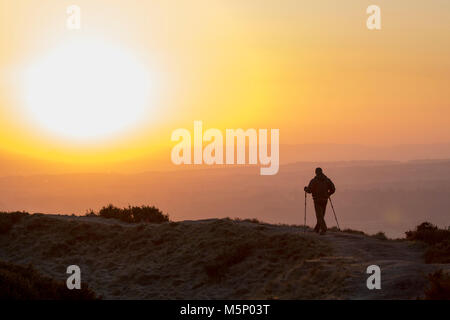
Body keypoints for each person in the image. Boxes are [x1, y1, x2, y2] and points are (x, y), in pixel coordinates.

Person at [304, 167, 335, 235]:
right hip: (325, 200)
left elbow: (309, 190)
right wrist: (328, 194)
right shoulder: (327, 180)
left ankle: (324, 229)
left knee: (319, 216)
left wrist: (306, 189)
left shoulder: (314, 181)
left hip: (317, 200)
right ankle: (317, 229)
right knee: (321, 215)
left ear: (316, 172)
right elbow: (333, 189)